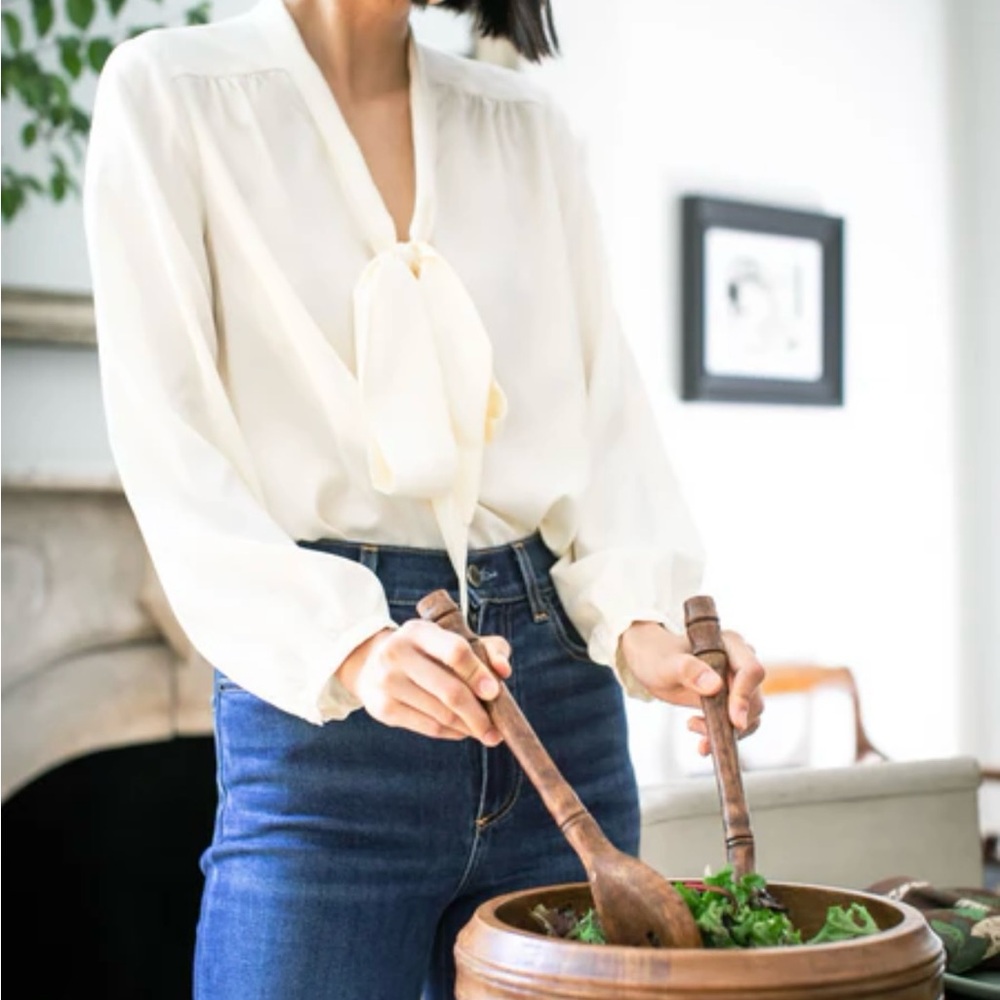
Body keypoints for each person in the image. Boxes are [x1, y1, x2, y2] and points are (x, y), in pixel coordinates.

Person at [82, 0, 766, 997]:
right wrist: (352, 647)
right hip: (328, 739)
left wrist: (643, 626)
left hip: (562, 717)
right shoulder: (169, 97)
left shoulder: (526, 129)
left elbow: (605, 423)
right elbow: (170, 449)